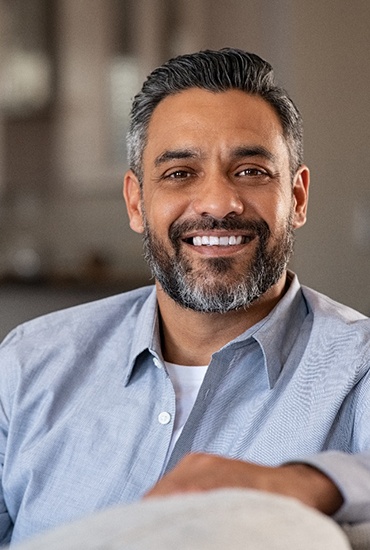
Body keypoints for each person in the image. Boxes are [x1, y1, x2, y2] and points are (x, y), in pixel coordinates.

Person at [0, 47, 370, 546]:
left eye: (251, 171)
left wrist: (309, 481)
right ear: (136, 201)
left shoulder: (359, 367)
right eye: (180, 173)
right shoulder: (28, 363)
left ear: (298, 198)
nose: (219, 203)